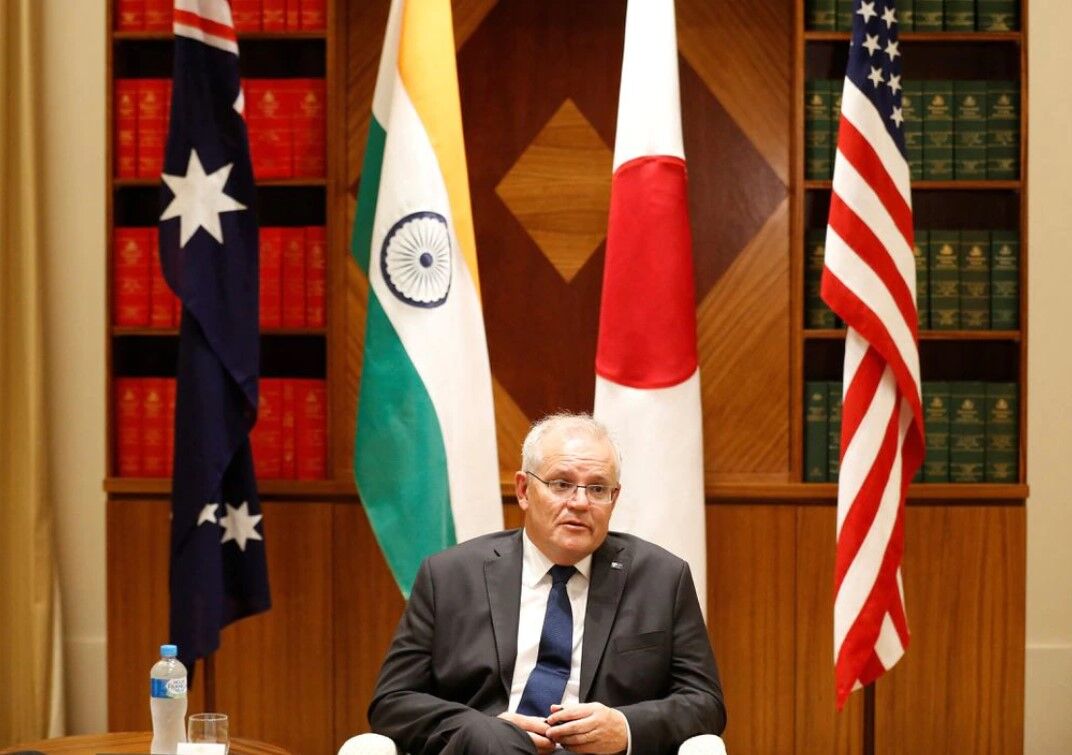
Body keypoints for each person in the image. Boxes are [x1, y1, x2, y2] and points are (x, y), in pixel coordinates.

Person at [368, 412, 726, 754]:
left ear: (613, 499)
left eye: (598, 489)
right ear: (524, 490)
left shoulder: (662, 579)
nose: (580, 502)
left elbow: (705, 703)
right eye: (561, 484)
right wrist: (482, 731)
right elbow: (392, 702)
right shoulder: (449, 576)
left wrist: (625, 726)